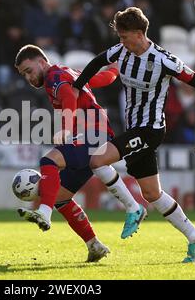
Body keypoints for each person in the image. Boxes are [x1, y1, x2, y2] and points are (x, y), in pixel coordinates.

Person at [71, 7, 195, 263]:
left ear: (138, 33)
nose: (120, 42)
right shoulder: (121, 51)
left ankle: (132, 208)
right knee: (152, 194)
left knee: (97, 161)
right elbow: (97, 61)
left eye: (124, 37)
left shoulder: (163, 60)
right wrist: (78, 87)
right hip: (134, 127)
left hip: (150, 129)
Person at [14, 44, 144, 262]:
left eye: (29, 70)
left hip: (92, 134)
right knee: (62, 198)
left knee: (49, 160)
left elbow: (67, 97)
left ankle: (44, 213)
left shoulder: (54, 76)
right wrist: (113, 71)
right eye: (24, 74)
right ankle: (94, 245)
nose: (28, 77)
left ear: (41, 62)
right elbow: (98, 81)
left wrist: (65, 127)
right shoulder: (69, 72)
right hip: (95, 133)